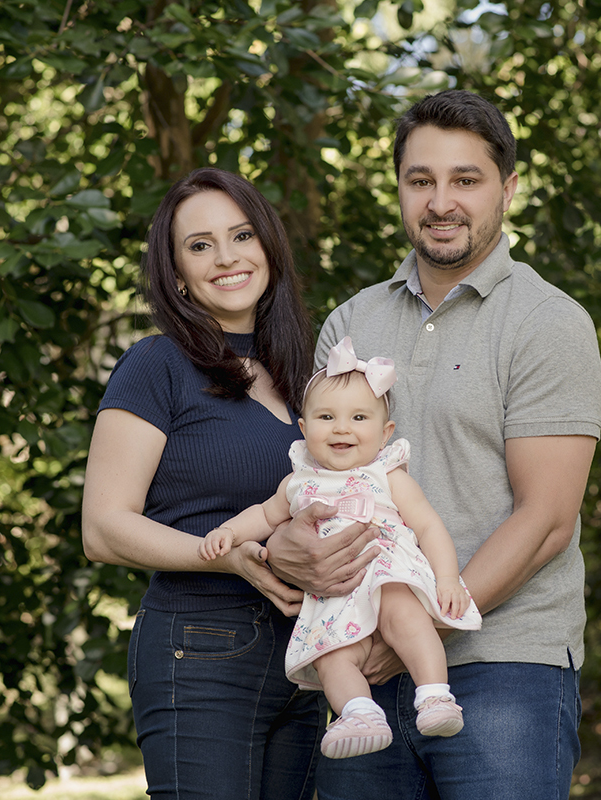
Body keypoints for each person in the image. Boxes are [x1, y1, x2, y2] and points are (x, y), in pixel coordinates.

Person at [265, 89, 601, 799]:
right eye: (421, 180)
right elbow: (321, 482)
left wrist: (418, 629)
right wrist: (289, 547)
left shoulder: (548, 322)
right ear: (399, 189)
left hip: (504, 665)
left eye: (466, 180)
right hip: (358, 662)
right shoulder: (351, 323)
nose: (440, 201)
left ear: (507, 189)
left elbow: (545, 520)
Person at [81, 167, 380, 799]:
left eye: (241, 234)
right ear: (177, 272)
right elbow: (103, 527)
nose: (226, 258)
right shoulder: (156, 364)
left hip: (308, 655)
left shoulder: (306, 377)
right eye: (199, 245)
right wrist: (225, 557)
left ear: (268, 244)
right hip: (200, 647)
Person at [199, 336, 482, 760]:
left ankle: (435, 695)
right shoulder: (296, 482)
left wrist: (446, 577)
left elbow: (428, 525)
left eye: (359, 417)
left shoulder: (387, 475)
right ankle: (358, 713)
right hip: (334, 597)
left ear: (385, 433)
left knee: (407, 617)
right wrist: (229, 533)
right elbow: (263, 515)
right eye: (326, 417)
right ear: (304, 428)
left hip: (385, 575)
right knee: (332, 657)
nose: (341, 427)